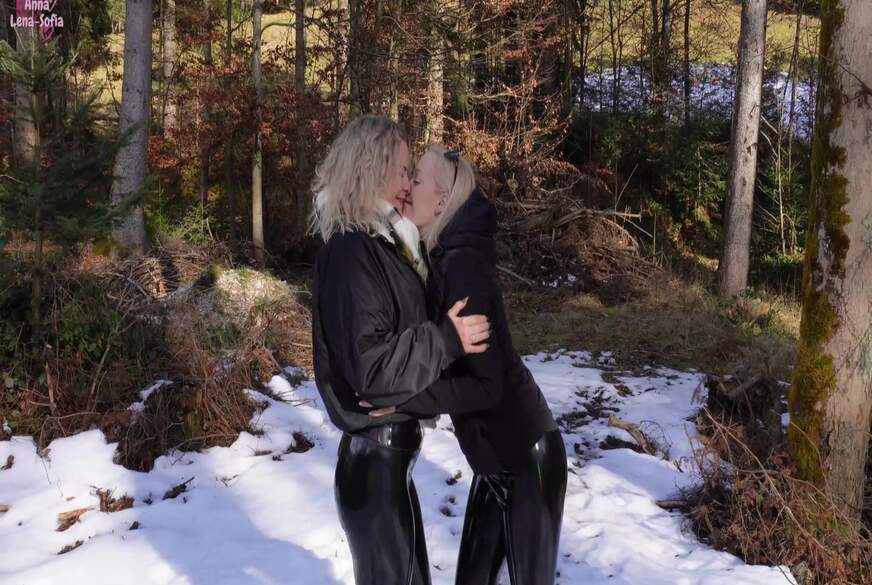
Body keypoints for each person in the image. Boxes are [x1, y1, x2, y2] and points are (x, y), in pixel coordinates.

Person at [372, 144, 568, 585]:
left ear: (442, 201)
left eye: (416, 180)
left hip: (527, 457)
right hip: (494, 465)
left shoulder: (462, 267)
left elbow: (486, 387)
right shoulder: (441, 257)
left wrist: (404, 398)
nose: (407, 187)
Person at [310, 115, 492, 585]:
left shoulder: (388, 244)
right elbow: (372, 369)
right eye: (402, 171)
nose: (409, 183)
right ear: (370, 169)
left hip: (390, 464)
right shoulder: (352, 252)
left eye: (412, 173)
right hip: (373, 465)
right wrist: (446, 340)